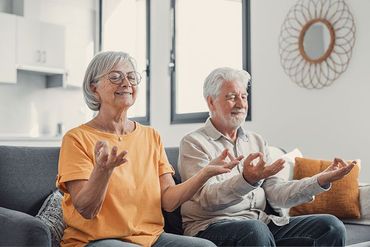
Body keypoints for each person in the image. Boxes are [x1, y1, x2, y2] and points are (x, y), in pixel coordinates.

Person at [56, 52, 241, 247]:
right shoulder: (76, 138)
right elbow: (86, 209)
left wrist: (205, 173)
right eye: (115, 76)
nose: (126, 82)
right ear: (94, 88)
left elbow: (169, 200)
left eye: (131, 76)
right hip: (95, 241)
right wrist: (103, 171)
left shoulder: (151, 136)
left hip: (151, 238)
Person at [178, 67, 356, 246]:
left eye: (244, 96)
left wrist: (319, 181)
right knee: (255, 230)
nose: (241, 104)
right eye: (232, 97)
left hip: (260, 223)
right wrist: (246, 180)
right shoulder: (194, 143)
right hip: (211, 226)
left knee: (331, 226)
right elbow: (206, 199)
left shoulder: (256, 141)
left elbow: (277, 194)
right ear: (211, 102)